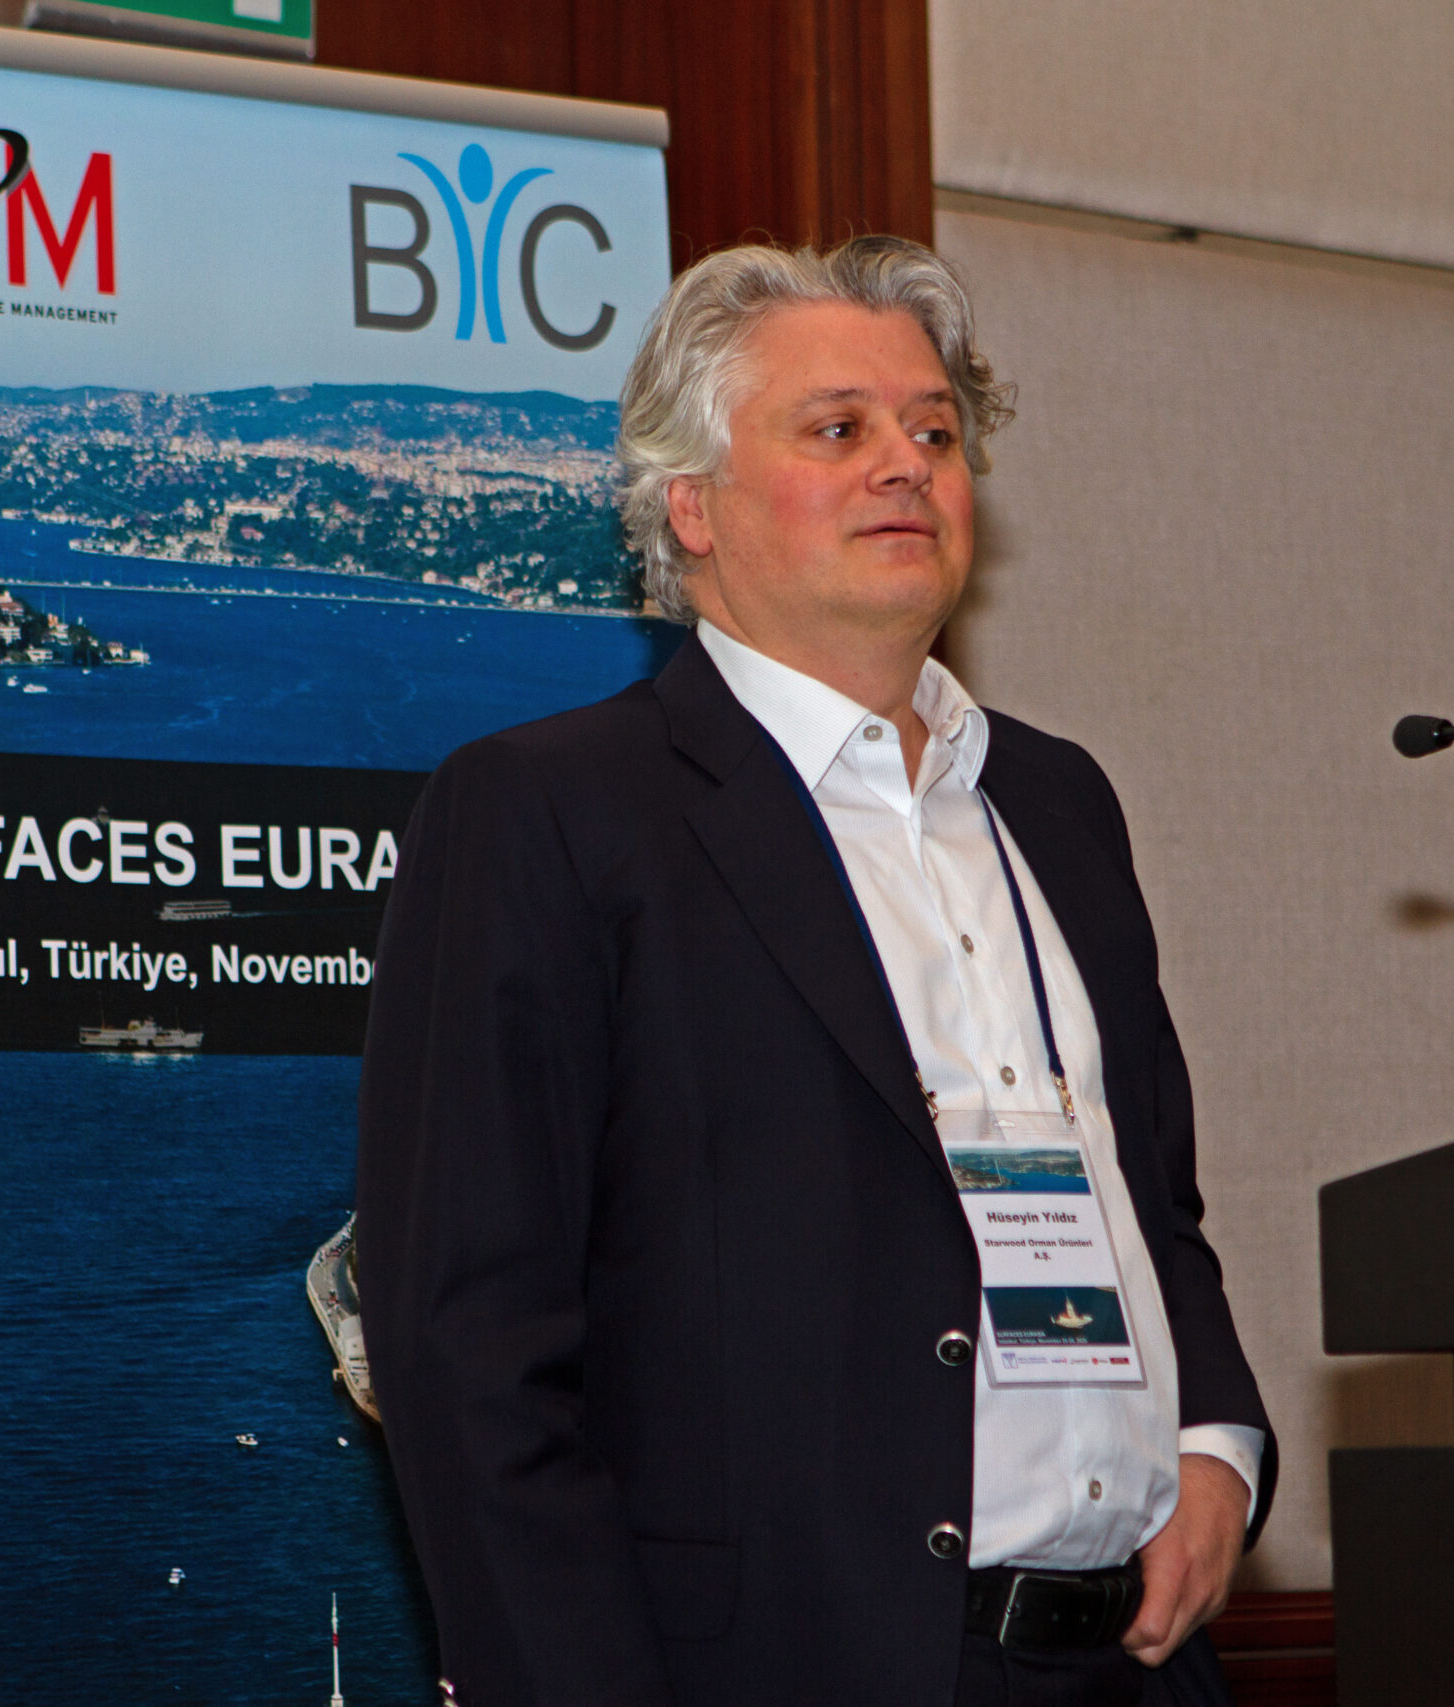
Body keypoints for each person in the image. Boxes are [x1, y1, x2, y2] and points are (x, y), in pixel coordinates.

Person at [357, 236, 1274, 1707]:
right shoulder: (553, 814)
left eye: (934, 432)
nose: (906, 464)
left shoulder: (1060, 804)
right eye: (838, 430)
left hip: (1138, 1665)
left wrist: (1217, 1441)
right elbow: (470, 1351)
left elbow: (1153, 1205)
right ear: (693, 506)